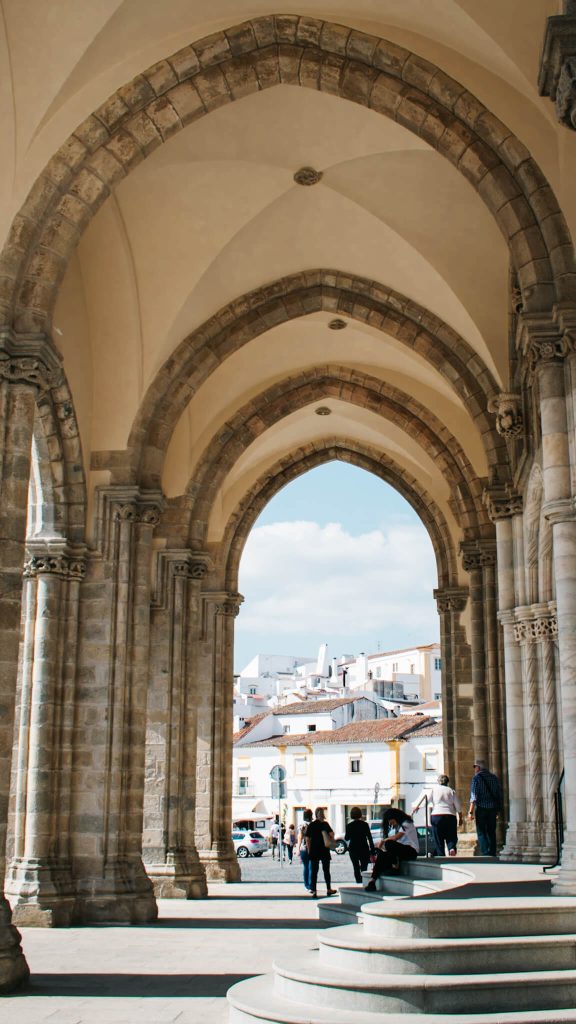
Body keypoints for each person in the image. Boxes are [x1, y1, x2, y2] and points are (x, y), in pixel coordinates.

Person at [364, 811, 418, 891]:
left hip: (411, 850)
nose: (390, 823)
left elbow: (396, 837)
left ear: (395, 817)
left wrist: (383, 841)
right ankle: (372, 881)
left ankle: (395, 865)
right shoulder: (400, 825)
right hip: (401, 851)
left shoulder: (406, 823)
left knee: (389, 843)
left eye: (390, 820)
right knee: (382, 855)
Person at [412, 774, 461, 857]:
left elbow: (426, 800)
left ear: (438, 782)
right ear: (447, 782)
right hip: (450, 815)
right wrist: (461, 817)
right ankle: (451, 848)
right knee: (451, 834)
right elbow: (458, 806)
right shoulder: (451, 791)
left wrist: (417, 807)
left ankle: (441, 854)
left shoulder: (434, 790)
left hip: (437, 815)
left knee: (438, 837)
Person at [468, 759, 502, 857]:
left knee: (481, 831)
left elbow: (473, 796)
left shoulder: (476, 778)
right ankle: (492, 851)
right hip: (492, 809)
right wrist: (498, 811)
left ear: (478, 767)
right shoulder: (494, 778)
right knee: (491, 831)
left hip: (482, 809)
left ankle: (485, 851)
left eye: (475, 767)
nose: (474, 769)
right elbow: (498, 794)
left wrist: (470, 811)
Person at [305, 807, 338, 898]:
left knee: (314, 872)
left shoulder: (312, 825)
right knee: (326, 870)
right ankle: (328, 889)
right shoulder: (325, 824)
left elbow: (307, 839)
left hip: (314, 850)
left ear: (315, 814)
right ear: (322, 814)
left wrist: (309, 850)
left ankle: (314, 891)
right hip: (324, 850)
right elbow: (332, 834)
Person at [345, 807, 375, 883]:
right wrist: (372, 851)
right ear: (360, 814)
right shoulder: (365, 825)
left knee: (356, 867)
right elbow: (370, 838)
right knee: (364, 867)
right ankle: (363, 881)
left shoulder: (349, 826)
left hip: (353, 848)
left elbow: (347, 838)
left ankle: (358, 881)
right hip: (364, 848)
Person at [298, 809, 313, 892]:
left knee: (306, 867)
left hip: (303, 848)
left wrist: (298, 848)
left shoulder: (301, 825)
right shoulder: (312, 825)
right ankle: (311, 885)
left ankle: (306, 885)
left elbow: (299, 837)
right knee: (311, 867)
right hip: (312, 847)